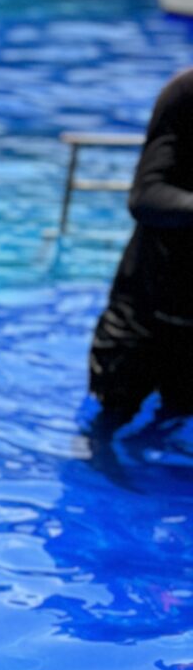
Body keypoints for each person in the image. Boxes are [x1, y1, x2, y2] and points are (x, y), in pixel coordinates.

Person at [88, 66, 193, 426]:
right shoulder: (186, 92)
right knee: (110, 418)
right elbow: (145, 196)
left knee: (179, 412)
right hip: (144, 307)